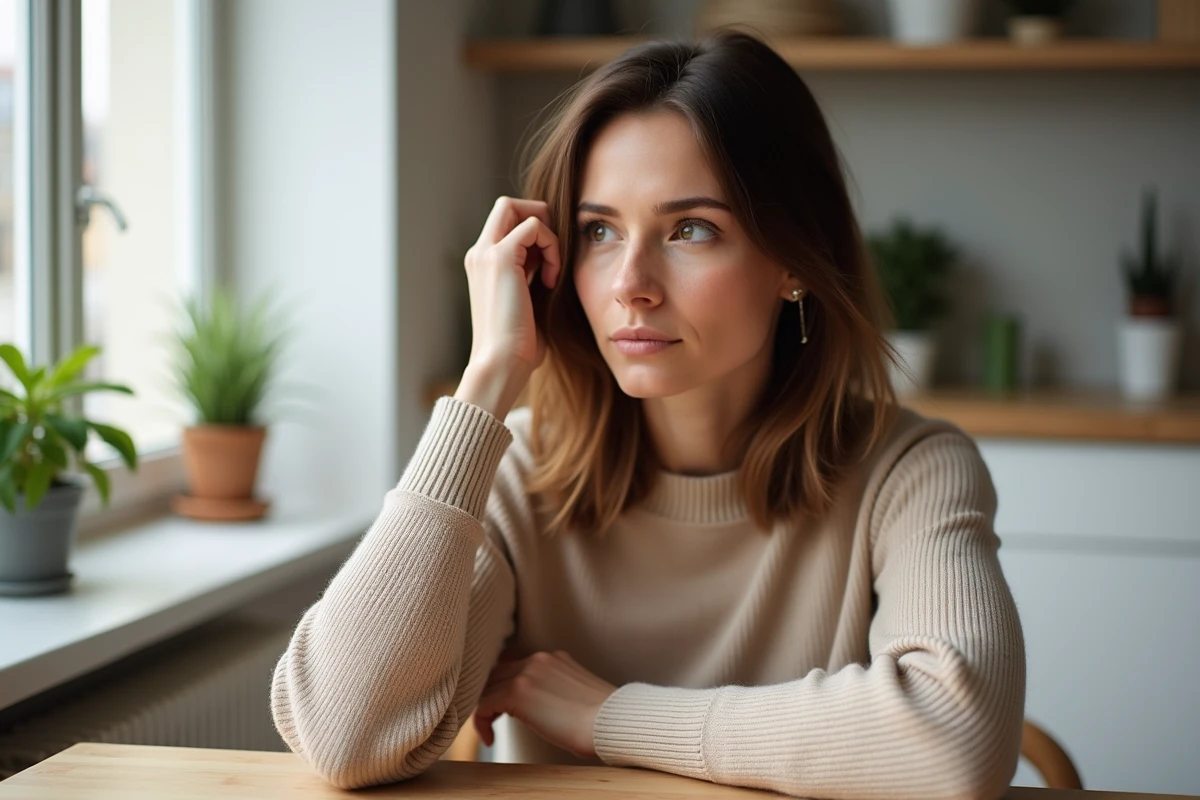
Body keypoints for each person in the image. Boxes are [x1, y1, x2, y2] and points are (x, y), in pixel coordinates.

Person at [270, 31, 1026, 799]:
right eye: (599, 231)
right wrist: (486, 380)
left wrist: (607, 717)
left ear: (795, 259)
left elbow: (955, 741)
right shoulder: (517, 476)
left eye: (690, 228)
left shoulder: (910, 470)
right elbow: (343, 737)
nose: (630, 283)